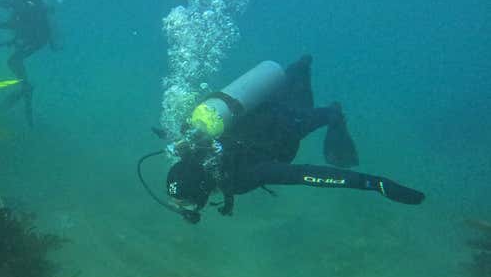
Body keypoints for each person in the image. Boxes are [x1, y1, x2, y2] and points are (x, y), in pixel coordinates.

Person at [144, 55, 425, 223]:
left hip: (290, 123)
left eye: (188, 204)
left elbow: (303, 174)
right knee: (293, 74)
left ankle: (331, 110)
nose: (187, 210)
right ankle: (301, 66)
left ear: (203, 190)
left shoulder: (241, 176)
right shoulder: (192, 146)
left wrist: (371, 183)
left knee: (317, 103)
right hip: (263, 110)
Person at [0, 0, 59, 127]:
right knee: (13, 61)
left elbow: (10, 24)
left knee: (13, 61)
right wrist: (13, 40)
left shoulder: (21, 4)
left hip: (37, 39)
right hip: (35, 38)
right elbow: (16, 22)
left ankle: (26, 87)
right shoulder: (24, 3)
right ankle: (25, 90)